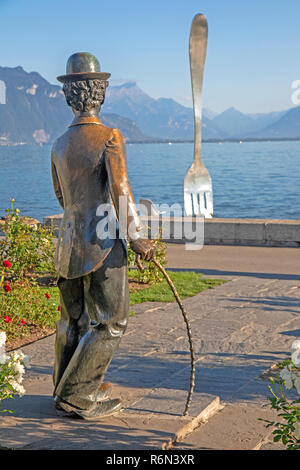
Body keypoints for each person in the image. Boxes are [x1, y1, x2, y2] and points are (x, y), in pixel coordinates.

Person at [50, 52, 155, 420]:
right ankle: (77, 395)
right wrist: (137, 237)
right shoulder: (110, 137)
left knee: (72, 320)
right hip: (101, 246)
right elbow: (120, 192)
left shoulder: (59, 144)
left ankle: (65, 386)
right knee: (111, 321)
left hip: (67, 243)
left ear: (69, 95)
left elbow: (62, 197)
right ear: (100, 92)